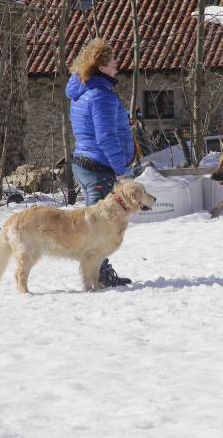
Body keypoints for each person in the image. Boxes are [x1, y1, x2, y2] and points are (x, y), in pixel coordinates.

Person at [65, 38, 135, 287]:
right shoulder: (100, 94)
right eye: (113, 61)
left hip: (85, 161)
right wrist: (121, 170)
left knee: (96, 222)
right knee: (99, 226)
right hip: (98, 165)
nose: (117, 65)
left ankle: (100, 272)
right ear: (101, 65)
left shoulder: (83, 89)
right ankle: (99, 275)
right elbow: (105, 136)